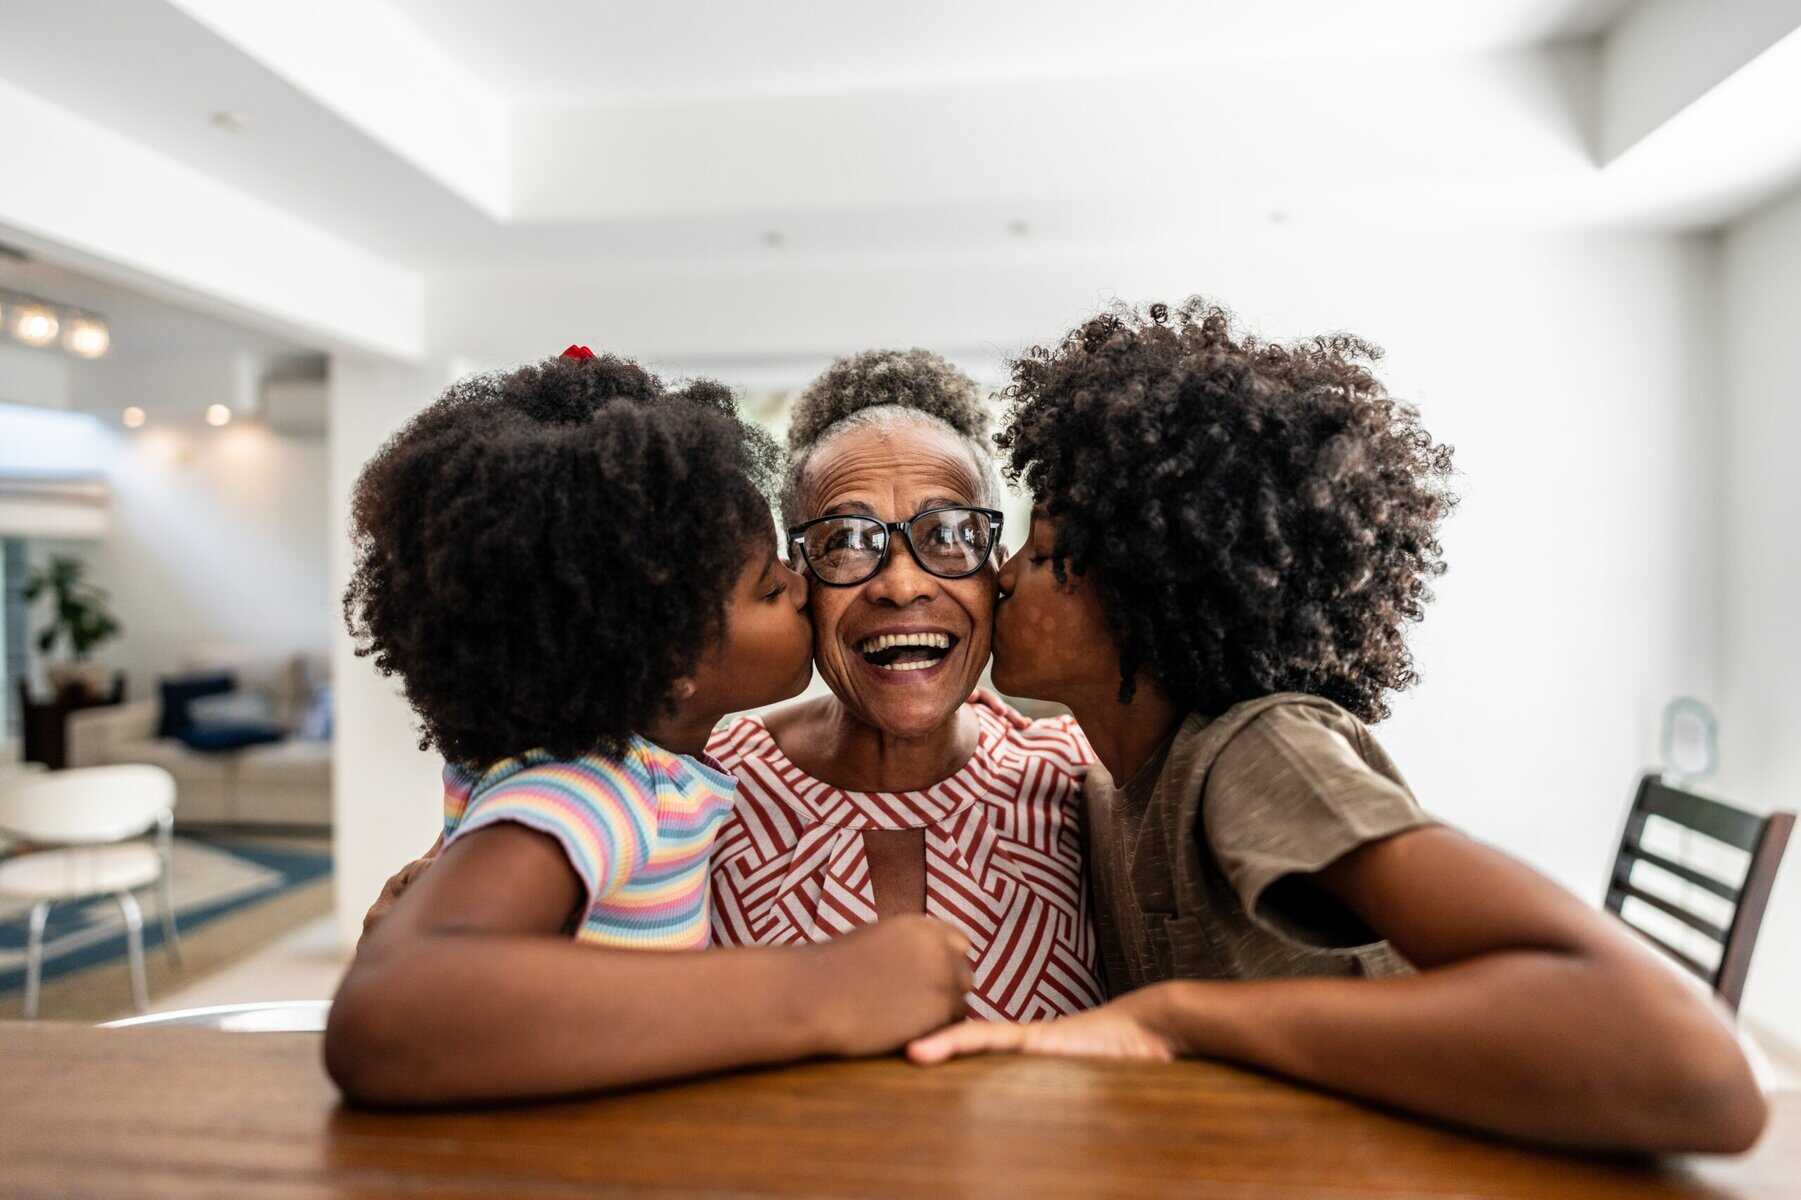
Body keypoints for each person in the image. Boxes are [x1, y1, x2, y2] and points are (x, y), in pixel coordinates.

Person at [907, 301, 1768, 1153]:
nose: (1002, 575)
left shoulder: (1255, 754)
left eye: (1045, 554)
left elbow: (1696, 1067)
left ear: (1148, 595)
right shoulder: (1119, 776)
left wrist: (1173, 1019)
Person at [361, 348, 1108, 1023]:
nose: (901, 584)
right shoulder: (680, 771)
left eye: (948, 534)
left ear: (995, 564)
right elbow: (444, 952)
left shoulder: (1084, 774)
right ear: (801, 575)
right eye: (846, 542)